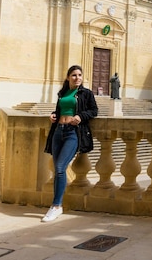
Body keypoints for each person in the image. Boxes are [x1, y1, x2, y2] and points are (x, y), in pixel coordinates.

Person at [42, 65, 98, 222]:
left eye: (80, 75)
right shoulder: (62, 93)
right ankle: (56, 206)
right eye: (74, 75)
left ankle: (56, 206)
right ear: (68, 77)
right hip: (58, 131)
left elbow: (94, 111)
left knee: (60, 167)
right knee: (56, 169)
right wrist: (53, 116)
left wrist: (80, 116)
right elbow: (60, 111)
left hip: (73, 133)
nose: (77, 78)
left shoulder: (86, 93)